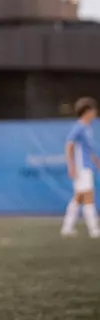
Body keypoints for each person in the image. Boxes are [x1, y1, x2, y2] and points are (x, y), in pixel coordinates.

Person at [61, 96, 100, 238]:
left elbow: (88, 149)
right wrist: (71, 165)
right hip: (81, 167)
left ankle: (67, 227)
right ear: (87, 111)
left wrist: (96, 161)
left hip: (87, 166)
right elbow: (69, 145)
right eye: (94, 111)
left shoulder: (87, 129)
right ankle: (94, 230)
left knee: (78, 197)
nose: (95, 114)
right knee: (88, 197)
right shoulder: (79, 127)